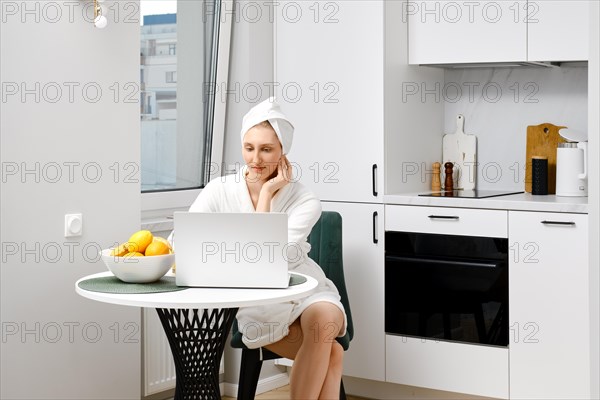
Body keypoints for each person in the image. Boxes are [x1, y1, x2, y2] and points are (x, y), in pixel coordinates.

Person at [186, 97, 347, 399]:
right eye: (249, 148)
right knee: (334, 354)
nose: (255, 159)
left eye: (266, 149)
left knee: (323, 321)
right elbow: (182, 241)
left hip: (306, 289)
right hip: (258, 303)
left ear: (283, 151)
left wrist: (267, 194)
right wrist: (266, 196)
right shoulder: (219, 191)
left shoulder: (304, 199)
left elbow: (264, 255)